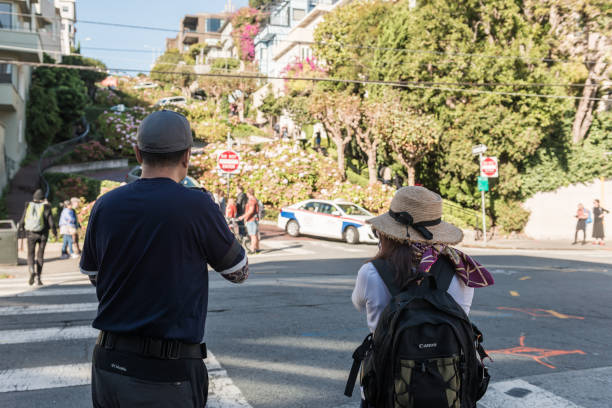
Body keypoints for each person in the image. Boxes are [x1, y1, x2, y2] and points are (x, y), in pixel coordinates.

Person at [80, 110, 249, 407]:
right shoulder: (197, 205)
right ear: (187, 156)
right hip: (168, 371)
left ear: (137, 153)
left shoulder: (105, 205)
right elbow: (238, 271)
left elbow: (95, 274)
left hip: (109, 363)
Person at [351, 186, 494, 406]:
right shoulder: (462, 269)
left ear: (387, 233)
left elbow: (358, 303)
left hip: (388, 387)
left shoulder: (371, 272)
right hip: (449, 388)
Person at [18, 189, 57, 286]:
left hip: (31, 234)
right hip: (43, 234)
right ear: (43, 198)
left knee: (30, 255)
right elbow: (51, 223)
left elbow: (22, 220)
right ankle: (39, 278)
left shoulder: (29, 206)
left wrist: (21, 229)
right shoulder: (46, 207)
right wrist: (55, 233)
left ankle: (31, 271)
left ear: (34, 198)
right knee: (40, 256)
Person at [239, 188, 260, 254]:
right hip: (254, 219)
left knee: (252, 235)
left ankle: (252, 249)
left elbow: (251, 211)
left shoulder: (251, 200)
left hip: (251, 220)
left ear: (248, 193)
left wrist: (243, 217)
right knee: (255, 234)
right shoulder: (255, 199)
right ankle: (256, 248)